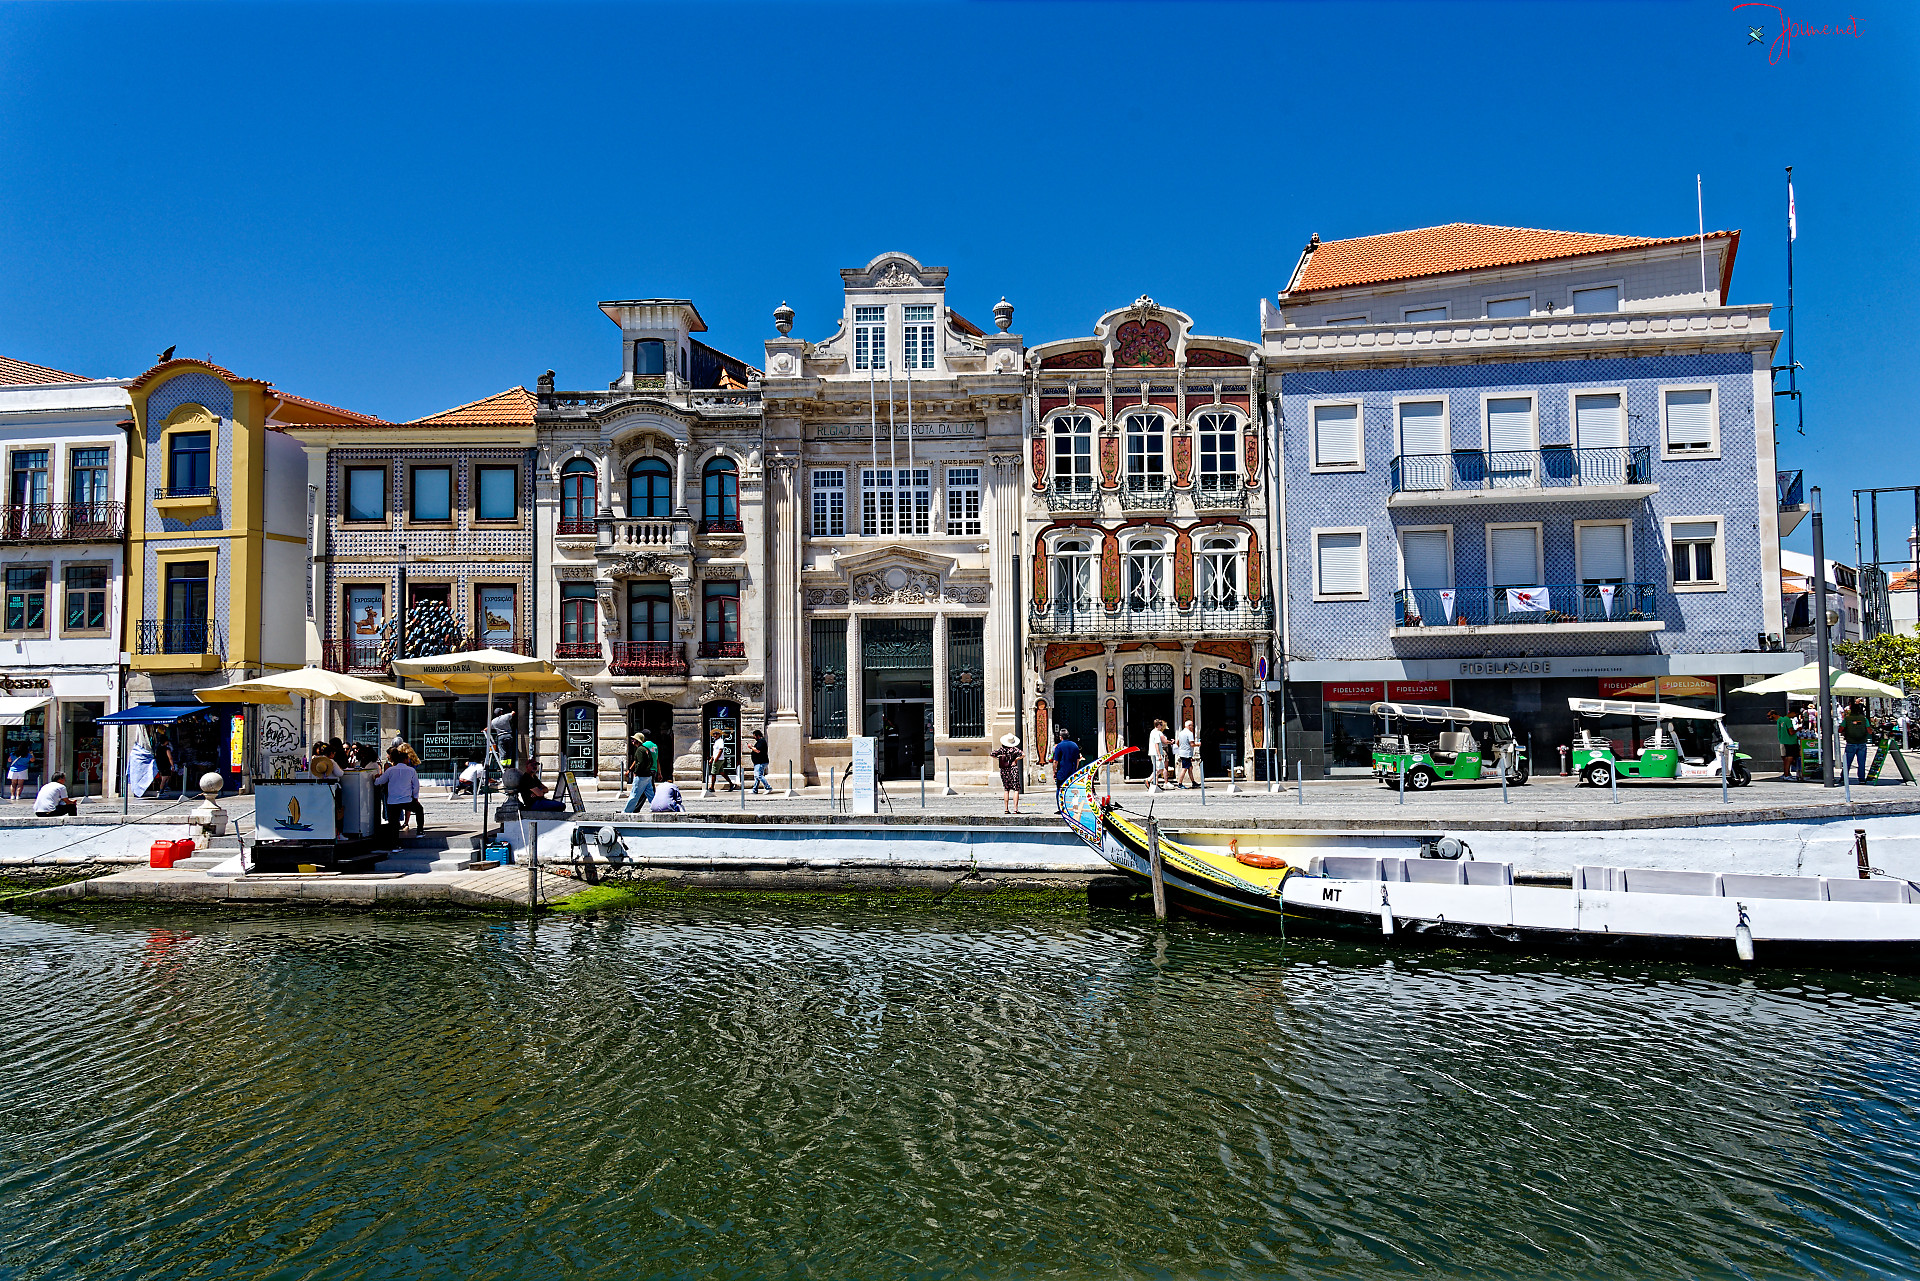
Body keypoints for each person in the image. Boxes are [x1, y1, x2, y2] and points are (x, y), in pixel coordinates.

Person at [375, 747, 421, 839]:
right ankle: (420, 831)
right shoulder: (411, 770)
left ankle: (395, 845)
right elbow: (416, 786)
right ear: (404, 760)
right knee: (419, 810)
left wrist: (376, 778)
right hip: (406, 799)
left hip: (393, 801)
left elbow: (379, 781)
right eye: (407, 759)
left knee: (394, 823)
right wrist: (415, 797)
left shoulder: (390, 770)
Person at [623, 732, 658, 814]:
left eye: (634, 740)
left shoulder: (639, 750)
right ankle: (657, 808)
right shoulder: (646, 749)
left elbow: (639, 763)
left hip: (641, 776)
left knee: (634, 794)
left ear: (637, 741)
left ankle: (627, 811)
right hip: (648, 776)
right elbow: (651, 761)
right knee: (651, 794)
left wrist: (636, 772)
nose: (632, 741)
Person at [1840, 699, 1874, 783]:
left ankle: (1844, 777)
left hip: (1851, 742)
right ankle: (1861, 778)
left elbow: (1840, 729)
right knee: (1861, 762)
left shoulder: (1847, 719)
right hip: (1862, 742)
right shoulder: (1864, 719)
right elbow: (1869, 731)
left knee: (1847, 762)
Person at [992, 734, 1024, 815]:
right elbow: (1023, 754)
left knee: (1006, 789)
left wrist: (999, 759)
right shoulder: (1015, 749)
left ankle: (1006, 809)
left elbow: (992, 754)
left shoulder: (1001, 749)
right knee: (1016, 789)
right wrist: (1016, 759)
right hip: (1013, 770)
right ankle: (1015, 809)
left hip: (1004, 770)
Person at [1051, 727, 1081, 798]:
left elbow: (1055, 761)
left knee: (1060, 789)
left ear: (1061, 737)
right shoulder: (1075, 745)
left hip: (1062, 772)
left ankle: (1061, 806)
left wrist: (1054, 771)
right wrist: (1075, 769)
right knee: (1071, 789)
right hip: (1072, 772)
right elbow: (1077, 759)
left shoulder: (1059, 746)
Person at [1776, 711, 1801, 781]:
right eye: (1795, 714)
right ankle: (1787, 775)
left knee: (1787, 759)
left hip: (1786, 741)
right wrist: (1798, 730)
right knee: (1789, 759)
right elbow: (1791, 732)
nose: (1795, 716)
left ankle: (1786, 774)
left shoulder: (1783, 719)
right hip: (1791, 742)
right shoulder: (1788, 720)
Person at [1147, 719, 1171, 791]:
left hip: (1152, 752)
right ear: (1158, 725)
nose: (1162, 726)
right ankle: (1148, 780)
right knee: (1160, 768)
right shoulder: (1157, 733)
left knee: (1157, 768)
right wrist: (1159, 754)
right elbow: (1156, 744)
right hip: (1156, 753)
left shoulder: (1152, 732)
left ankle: (1154, 782)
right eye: (1161, 725)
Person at [1175, 719, 1197, 789]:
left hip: (1182, 752)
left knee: (1190, 768)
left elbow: (1177, 743)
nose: (1192, 727)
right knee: (1184, 768)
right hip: (1187, 753)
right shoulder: (1190, 733)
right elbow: (1192, 744)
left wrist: (1182, 747)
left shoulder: (1181, 733)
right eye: (1192, 726)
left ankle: (1193, 782)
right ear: (1189, 726)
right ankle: (1180, 783)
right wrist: (1198, 744)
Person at [749, 729, 771, 794]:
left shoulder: (761, 741)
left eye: (754, 736)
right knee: (756, 777)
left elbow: (758, 751)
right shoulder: (759, 742)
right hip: (758, 762)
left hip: (761, 762)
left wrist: (751, 747)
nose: (754, 738)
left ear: (758, 735)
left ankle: (768, 787)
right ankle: (755, 789)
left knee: (759, 775)